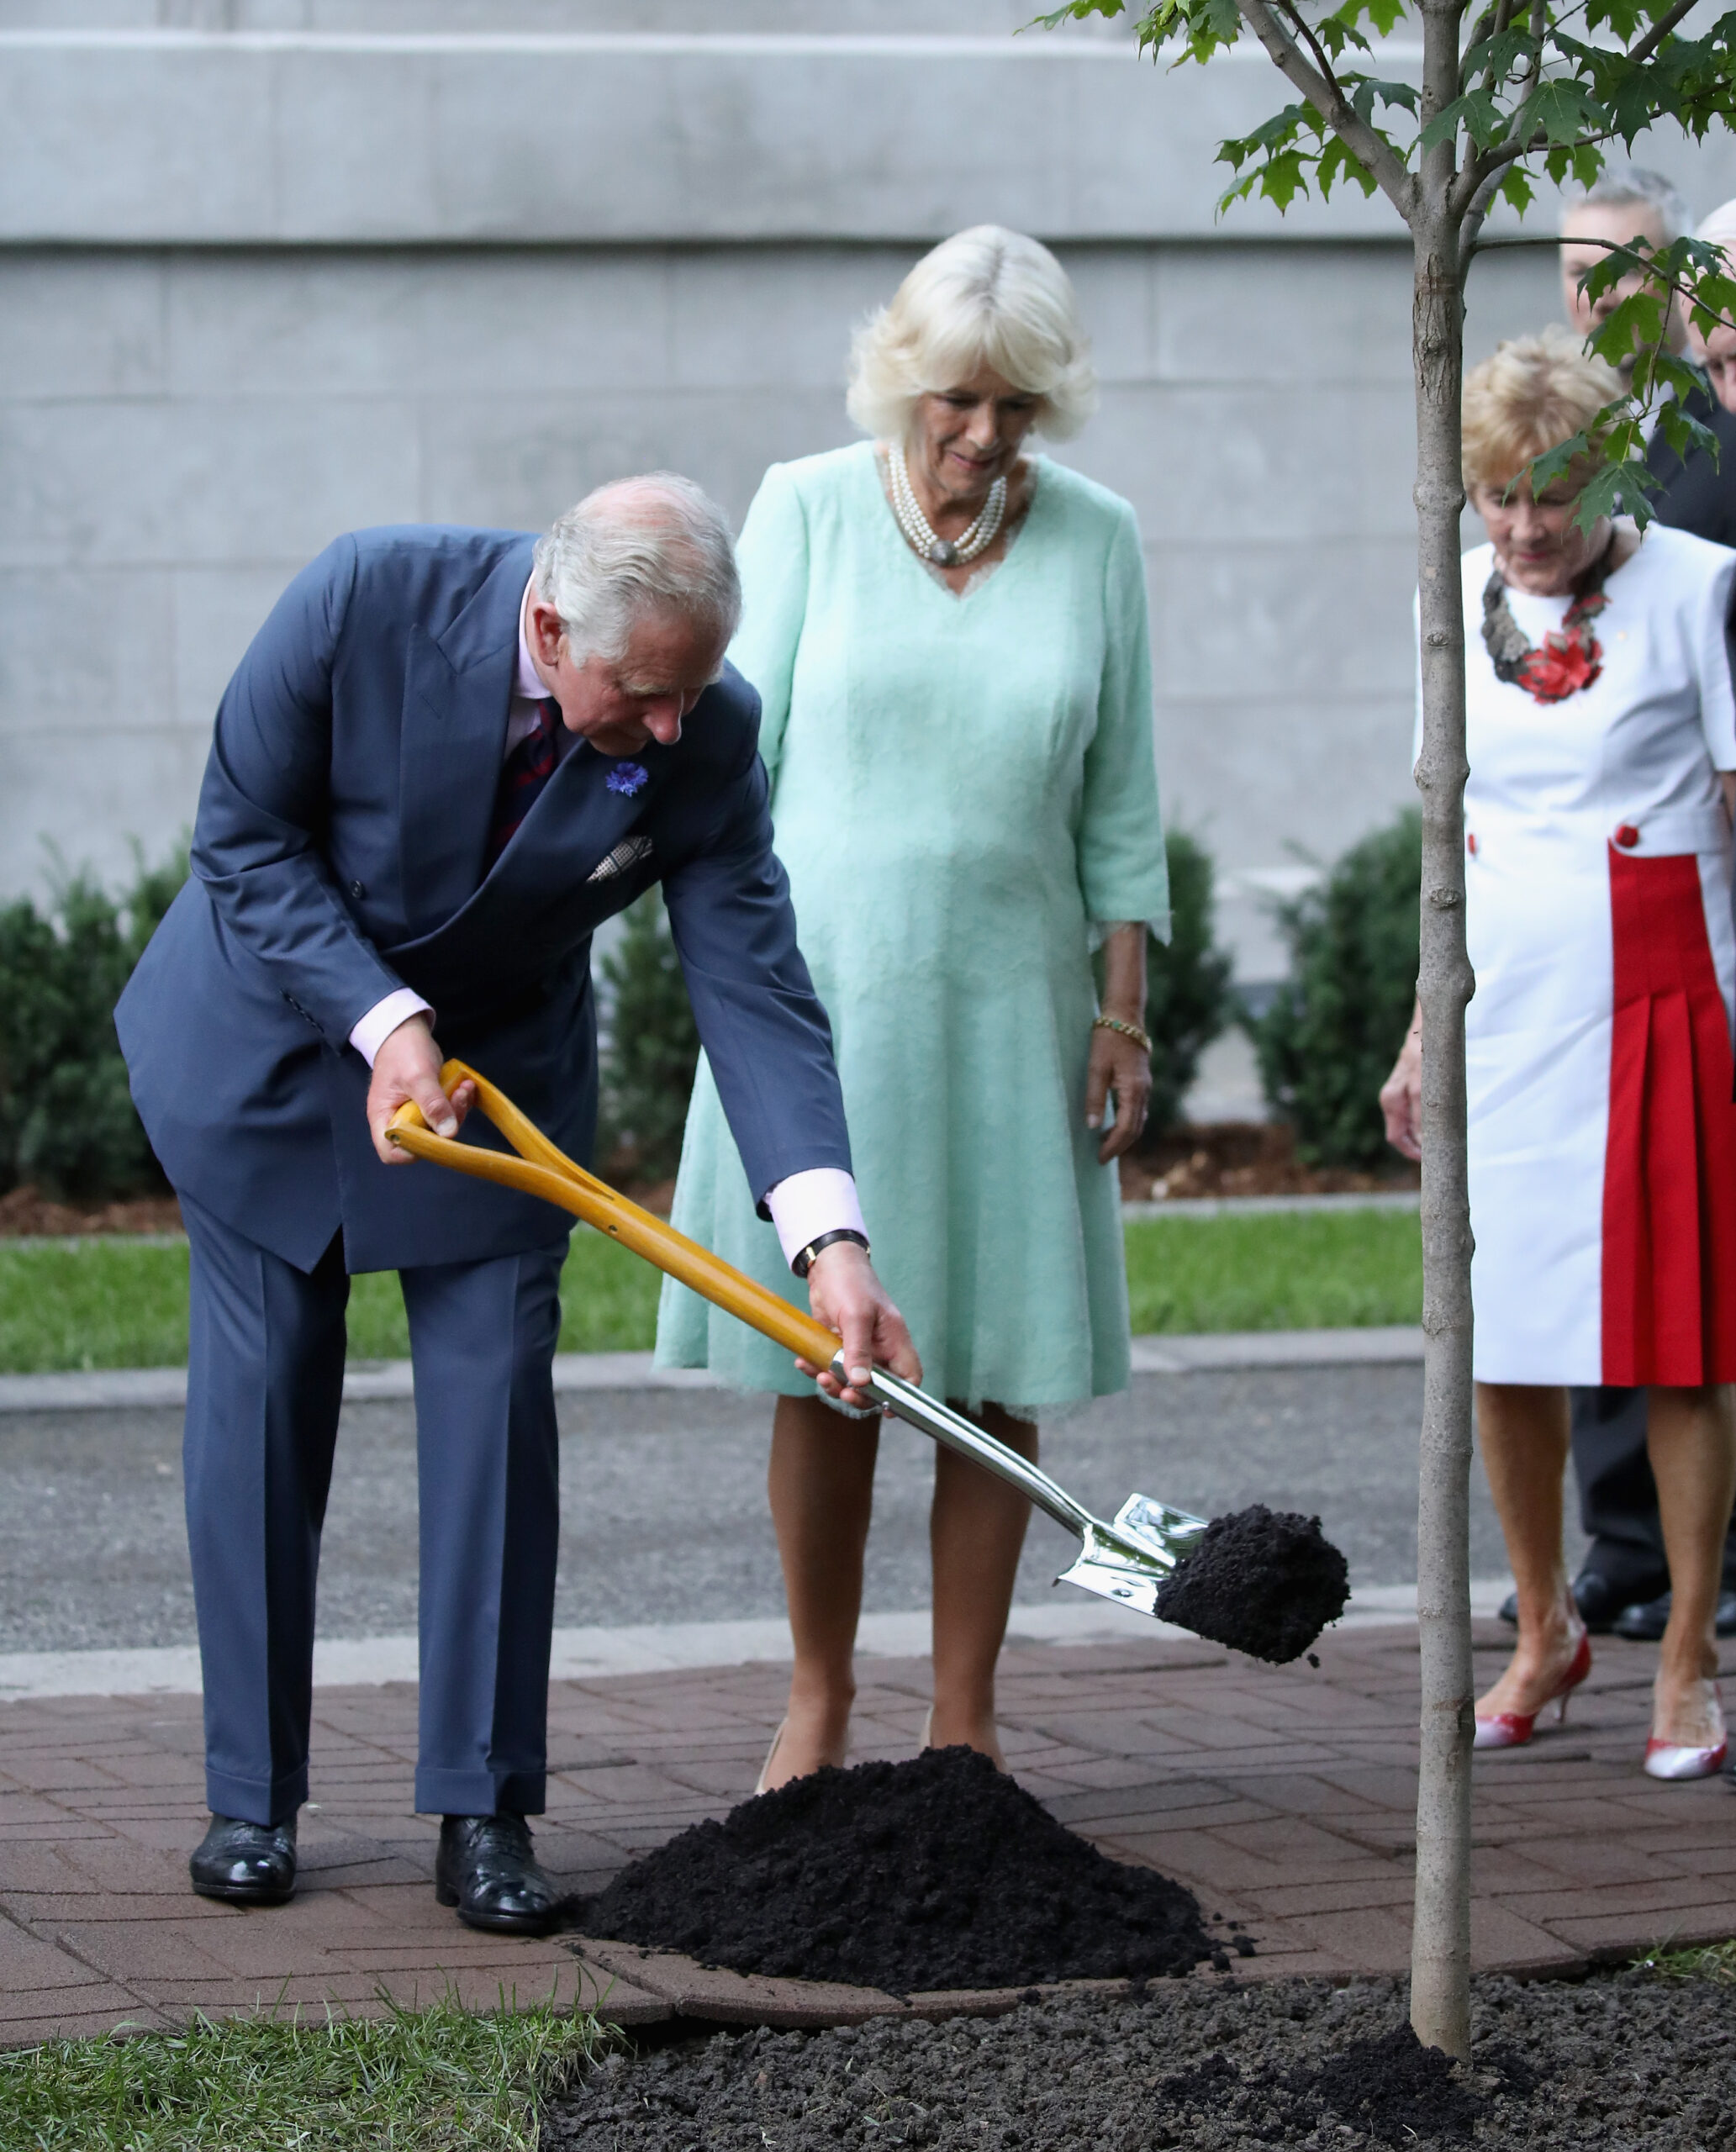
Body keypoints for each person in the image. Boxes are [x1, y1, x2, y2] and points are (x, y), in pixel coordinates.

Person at [116, 478, 918, 1931]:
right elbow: (241, 836)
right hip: (271, 1044)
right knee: (261, 1405)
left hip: (498, 1091)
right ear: (549, 629)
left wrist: (829, 1237)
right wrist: (381, 1019)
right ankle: (252, 1796)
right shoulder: (362, 598)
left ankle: (483, 1805)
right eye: (646, 692)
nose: (674, 727)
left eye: (693, 691)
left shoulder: (704, 728)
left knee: (493, 1410)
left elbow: (751, 979)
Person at [654, 226, 1169, 1790]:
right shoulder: (807, 507)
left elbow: (1121, 798)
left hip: (1013, 1007)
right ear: (902, 377)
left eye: (1015, 406)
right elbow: (725, 773)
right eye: (954, 398)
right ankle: (817, 1700)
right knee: (832, 1364)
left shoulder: (1098, 539)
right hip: (824, 1011)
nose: (980, 434)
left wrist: (1122, 1009)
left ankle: (965, 1721)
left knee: (995, 1366)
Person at [1379, 329, 1736, 1780]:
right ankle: (1541, 1628)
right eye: (1495, 496)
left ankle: (1686, 1656)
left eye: (1551, 495)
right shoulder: (1449, 595)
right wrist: (1420, 1026)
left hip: (1660, 990)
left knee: (1678, 1344)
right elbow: (1438, 834)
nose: (1521, 528)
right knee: (1499, 1338)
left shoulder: (1702, 590)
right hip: (1500, 1014)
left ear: (1606, 476)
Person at [1554, 169, 1736, 1640]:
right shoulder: (1584, 455)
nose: (1595, 292)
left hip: (1696, 896)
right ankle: (1622, 1541)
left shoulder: (1703, 445)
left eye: (1624, 269)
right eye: (1573, 268)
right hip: (1618, 897)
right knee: (1612, 1219)